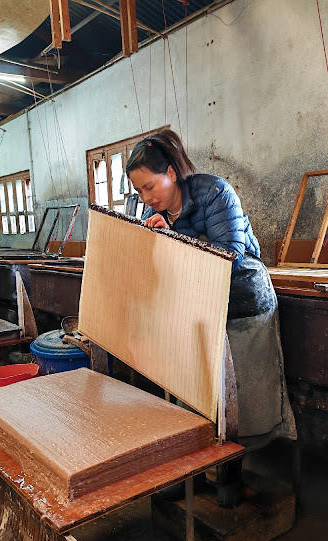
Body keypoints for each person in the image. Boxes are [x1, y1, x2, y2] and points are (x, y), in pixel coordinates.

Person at [125, 129, 296, 447]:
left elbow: (229, 256)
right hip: (200, 303)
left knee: (244, 394)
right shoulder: (154, 214)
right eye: (139, 190)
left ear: (171, 173)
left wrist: (175, 240)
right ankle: (199, 467)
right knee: (198, 392)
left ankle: (232, 476)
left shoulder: (215, 192)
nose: (146, 198)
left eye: (149, 186)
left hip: (242, 298)